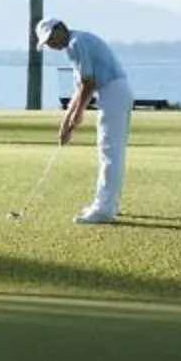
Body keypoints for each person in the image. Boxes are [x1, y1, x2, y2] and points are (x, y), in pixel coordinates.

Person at [39, 17, 130, 224]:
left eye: (51, 38)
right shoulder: (76, 43)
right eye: (47, 43)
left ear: (60, 28)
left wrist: (78, 114)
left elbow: (89, 84)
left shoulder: (75, 44)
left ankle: (104, 209)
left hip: (112, 91)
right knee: (112, 152)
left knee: (109, 152)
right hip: (116, 91)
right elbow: (80, 88)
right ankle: (109, 204)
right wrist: (65, 124)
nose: (51, 45)